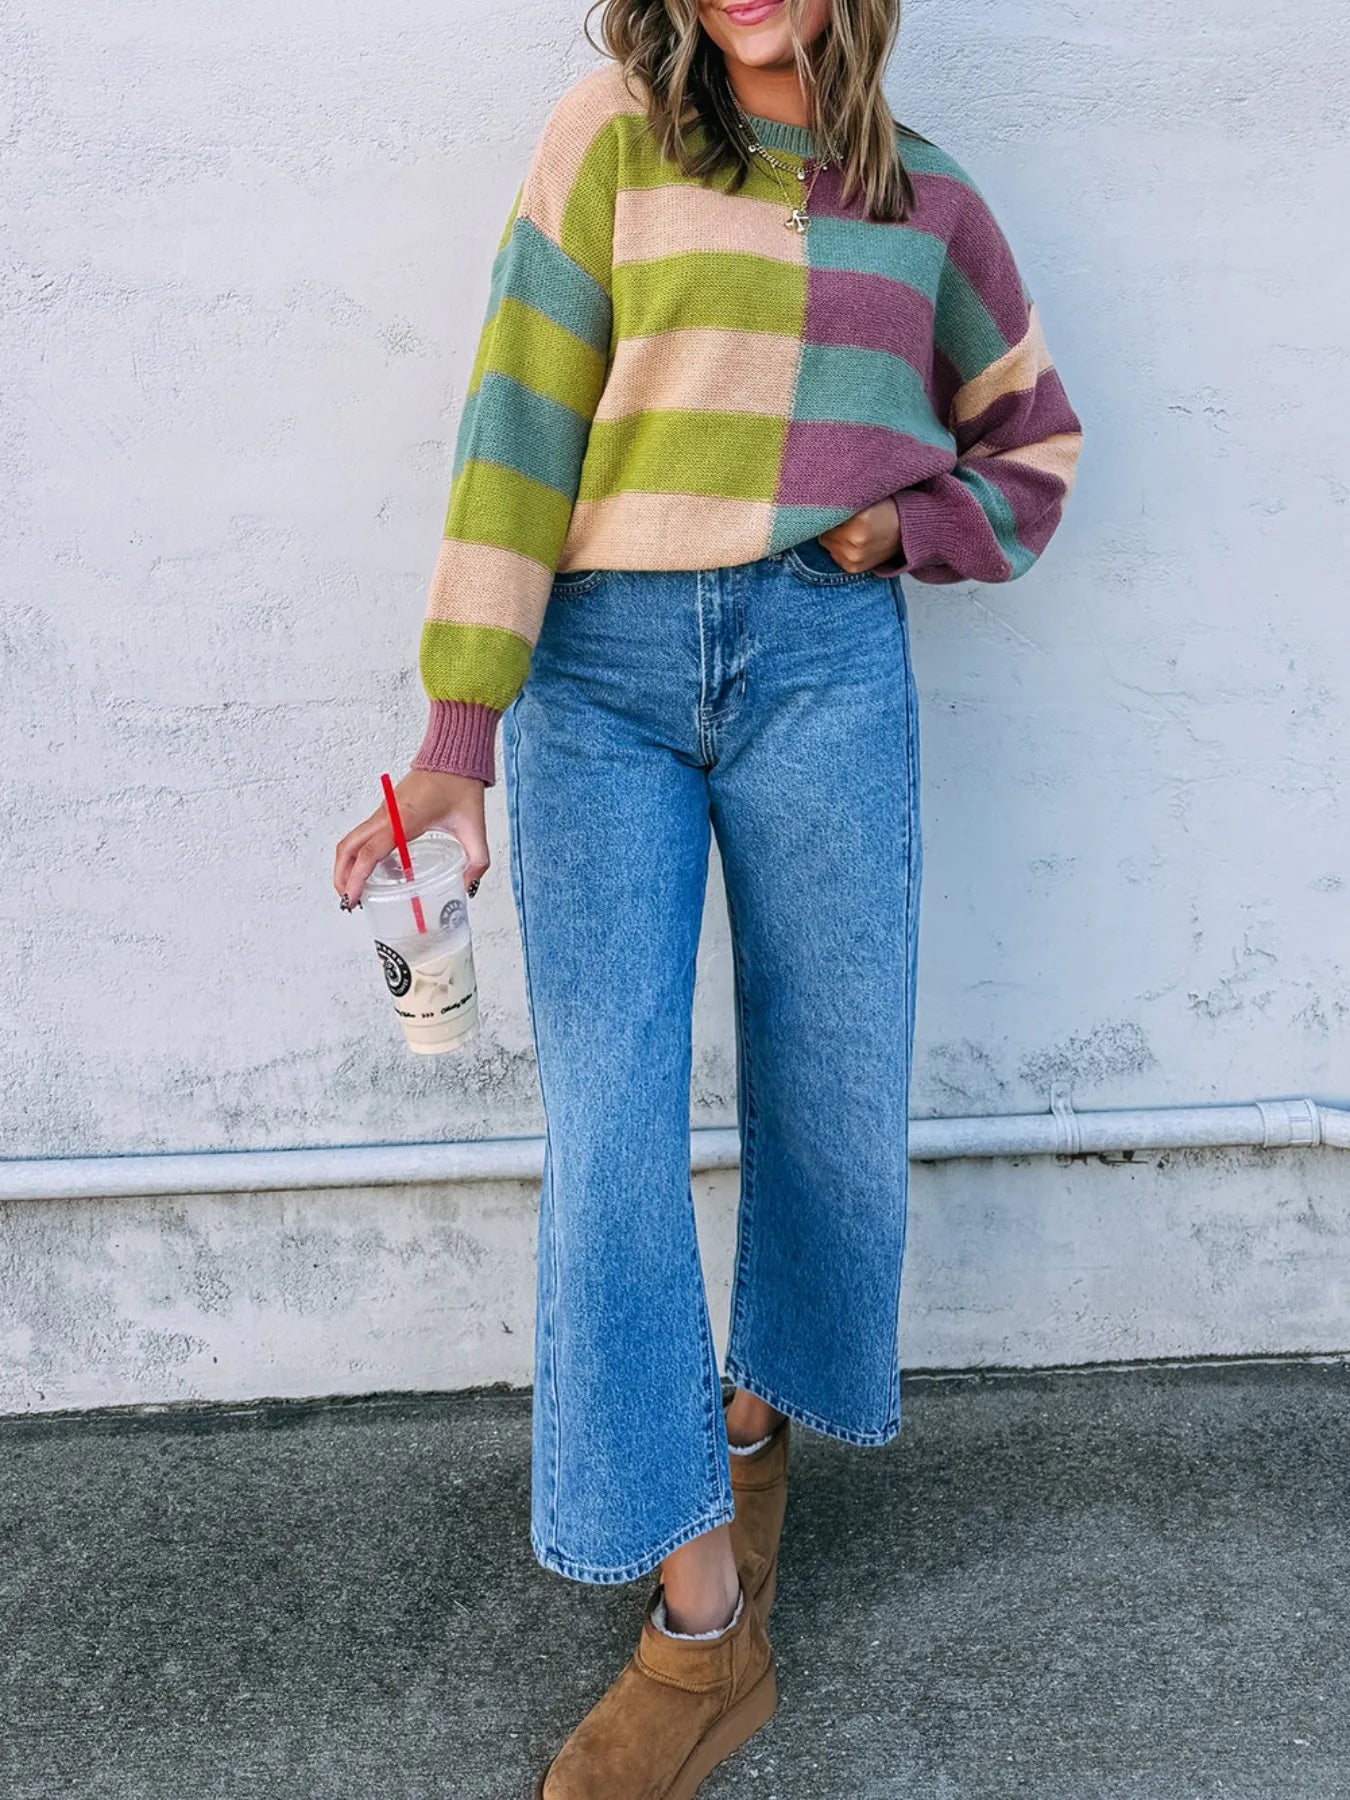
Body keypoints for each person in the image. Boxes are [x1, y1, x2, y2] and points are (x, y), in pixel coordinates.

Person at [334, 0, 1082, 1790]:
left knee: (832, 1089)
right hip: (596, 677)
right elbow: (516, 420)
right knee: (609, 1135)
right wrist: (459, 730)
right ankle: (697, 1635)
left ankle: (750, 1433)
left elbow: (1035, 451)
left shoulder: (932, 206)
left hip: (826, 663)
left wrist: (900, 526)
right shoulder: (606, 136)